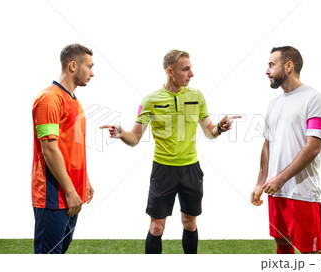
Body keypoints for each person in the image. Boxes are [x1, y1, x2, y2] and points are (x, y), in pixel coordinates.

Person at [101, 49, 240, 254]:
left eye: (191, 68)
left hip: (190, 169)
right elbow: (135, 138)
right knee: (157, 227)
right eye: (186, 69)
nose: (191, 73)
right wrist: (121, 133)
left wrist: (220, 127)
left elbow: (210, 132)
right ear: (170, 71)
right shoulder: (150, 101)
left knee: (189, 223)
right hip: (163, 171)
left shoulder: (197, 96)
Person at [251, 46, 321, 254]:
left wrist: (280, 179)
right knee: (282, 248)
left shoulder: (315, 99)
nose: (267, 71)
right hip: (276, 192)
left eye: (271, 65)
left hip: (302, 193)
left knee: (309, 254)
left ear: (288, 67)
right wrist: (262, 181)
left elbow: (312, 148)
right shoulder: (274, 104)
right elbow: (268, 144)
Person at [31, 43, 95, 254]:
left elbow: (74, 147)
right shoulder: (50, 99)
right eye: (89, 66)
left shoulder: (74, 102)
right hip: (54, 193)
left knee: (61, 251)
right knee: (48, 254)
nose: (92, 73)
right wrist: (69, 190)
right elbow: (49, 149)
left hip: (72, 193)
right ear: (73, 66)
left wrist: (84, 180)